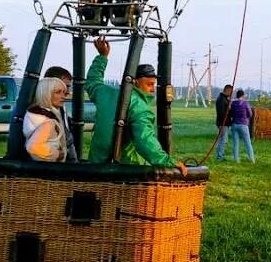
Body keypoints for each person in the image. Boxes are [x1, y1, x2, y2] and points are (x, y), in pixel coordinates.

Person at [85, 38, 186, 173]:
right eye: (149, 84)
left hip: (96, 167)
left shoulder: (105, 92)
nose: (152, 89)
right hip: (125, 170)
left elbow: (92, 81)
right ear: (136, 83)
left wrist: (102, 57)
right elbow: (145, 140)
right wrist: (167, 162)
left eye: (154, 85)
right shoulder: (139, 106)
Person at [24, 76, 77, 162]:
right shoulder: (48, 122)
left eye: (63, 92)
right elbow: (33, 147)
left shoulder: (36, 114)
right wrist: (58, 154)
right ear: (46, 94)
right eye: (58, 92)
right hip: (48, 170)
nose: (63, 96)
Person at [227, 89, 255, 162]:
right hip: (243, 124)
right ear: (243, 95)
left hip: (234, 124)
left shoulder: (233, 103)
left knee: (235, 143)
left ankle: (236, 159)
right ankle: (251, 159)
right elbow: (250, 114)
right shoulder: (245, 103)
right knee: (248, 143)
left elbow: (230, 114)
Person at [214, 84, 234, 162]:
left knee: (222, 140)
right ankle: (220, 157)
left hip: (224, 123)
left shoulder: (224, 99)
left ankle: (220, 155)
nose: (231, 93)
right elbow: (222, 113)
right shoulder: (222, 99)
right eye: (231, 91)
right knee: (223, 140)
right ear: (228, 90)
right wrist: (228, 109)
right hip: (223, 123)